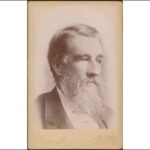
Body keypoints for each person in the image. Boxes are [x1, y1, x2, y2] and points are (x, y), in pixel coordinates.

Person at [34, 24, 112, 129]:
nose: (95, 71)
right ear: (57, 65)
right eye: (84, 59)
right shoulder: (34, 113)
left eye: (99, 60)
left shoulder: (109, 116)